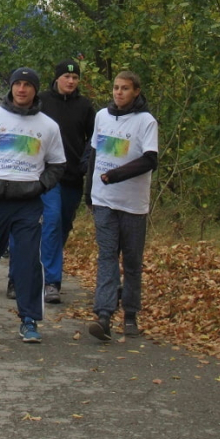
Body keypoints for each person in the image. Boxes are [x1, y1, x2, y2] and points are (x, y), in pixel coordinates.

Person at [0, 67, 65, 343]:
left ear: (35, 89)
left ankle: (29, 319)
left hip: (28, 203)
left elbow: (57, 165)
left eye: (28, 85)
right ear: (11, 87)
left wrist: (41, 186)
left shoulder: (48, 126)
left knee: (28, 261)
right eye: (17, 84)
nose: (22, 89)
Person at [86, 71, 158, 341]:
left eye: (125, 88)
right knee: (106, 256)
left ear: (136, 91)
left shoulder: (146, 122)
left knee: (131, 260)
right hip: (103, 200)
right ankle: (103, 315)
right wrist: (88, 193)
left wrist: (117, 175)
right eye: (116, 88)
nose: (119, 93)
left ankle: (130, 313)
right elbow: (94, 153)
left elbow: (150, 160)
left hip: (132, 203)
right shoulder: (102, 116)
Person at [35, 59, 96, 304]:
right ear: (57, 78)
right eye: (66, 77)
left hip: (73, 176)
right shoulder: (41, 102)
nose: (71, 81)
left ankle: (44, 263)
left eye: (75, 78)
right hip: (49, 176)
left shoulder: (85, 106)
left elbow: (94, 137)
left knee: (61, 226)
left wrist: (86, 160)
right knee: (51, 220)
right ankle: (52, 282)